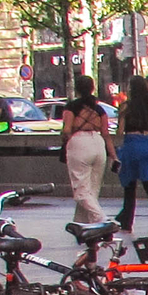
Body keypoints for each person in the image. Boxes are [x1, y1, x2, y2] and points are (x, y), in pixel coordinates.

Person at [113, 79, 148, 233]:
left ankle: (127, 221)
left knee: (129, 186)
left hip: (132, 145)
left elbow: (120, 131)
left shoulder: (126, 106)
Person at [58, 75, 112, 224]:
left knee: (81, 191)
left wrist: (64, 139)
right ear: (93, 88)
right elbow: (106, 134)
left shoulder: (72, 107)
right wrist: (113, 155)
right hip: (99, 144)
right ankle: (82, 224)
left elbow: (67, 130)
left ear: (77, 89)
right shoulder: (100, 109)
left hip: (80, 143)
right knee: (93, 190)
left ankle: (101, 218)